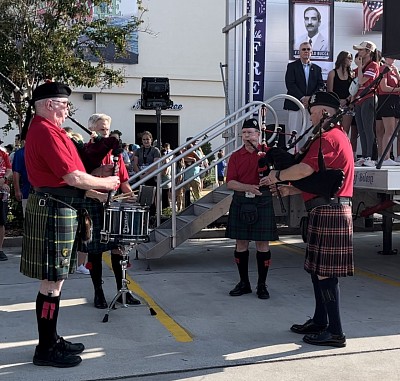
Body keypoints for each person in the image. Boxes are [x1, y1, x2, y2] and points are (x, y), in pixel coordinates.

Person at [19, 82, 120, 367]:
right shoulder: (44, 131)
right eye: (64, 105)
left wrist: (96, 180)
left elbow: (74, 173)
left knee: (56, 281)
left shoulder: (52, 131)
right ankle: (45, 349)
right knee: (51, 283)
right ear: (49, 104)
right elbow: (72, 178)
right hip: (54, 210)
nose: (67, 110)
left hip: (60, 207)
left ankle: (51, 339)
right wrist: (106, 182)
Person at [265, 91, 354, 348]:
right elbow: (321, 180)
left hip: (329, 211)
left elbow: (304, 169)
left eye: (313, 112)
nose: (311, 117)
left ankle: (335, 331)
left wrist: (277, 175)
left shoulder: (328, 138)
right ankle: (320, 320)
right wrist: (291, 189)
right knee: (318, 271)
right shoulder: (333, 137)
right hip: (326, 208)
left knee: (325, 273)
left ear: (324, 112)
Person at [80, 113, 140, 308]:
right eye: (101, 129)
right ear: (92, 131)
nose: (105, 133)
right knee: (95, 252)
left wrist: (132, 198)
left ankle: (123, 290)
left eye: (107, 129)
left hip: (114, 204)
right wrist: (96, 195)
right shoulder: (85, 152)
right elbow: (77, 184)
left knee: (119, 249)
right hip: (93, 204)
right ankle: (98, 292)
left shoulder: (116, 154)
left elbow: (122, 181)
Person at [225, 118, 278, 300]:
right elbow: (230, 182)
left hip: (263, 200)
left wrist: (272, 178)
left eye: (251, 132)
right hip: (242, 200)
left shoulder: (269, 153)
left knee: (263, 244)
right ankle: (244, 283)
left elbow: (282, 174)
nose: (247, 136)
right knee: (241, 243)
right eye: (244, 133)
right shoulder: (235, 156)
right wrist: (248, 187)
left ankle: (262, 285)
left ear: (258, 134)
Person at [284, 41, 324, 150]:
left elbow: (320, 86)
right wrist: (302, 98)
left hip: (310, 106)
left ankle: (307, 156)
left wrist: (310, 98)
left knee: (310, 131)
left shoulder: (317, 69)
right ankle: (292, 154)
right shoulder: (292, 66)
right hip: (295, 104)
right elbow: (290, 84)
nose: (306, 51)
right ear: (299, 52)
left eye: (308, 49)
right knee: (294, 131)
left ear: (311, 52)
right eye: (304, 49)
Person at [352, 41, 380, 167]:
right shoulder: (360, 66)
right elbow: (355, 84)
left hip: (368, 98)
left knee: (369, 129)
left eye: (361, 50)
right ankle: (364, 155)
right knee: (361, 130)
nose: (359, 52)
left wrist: (359, 67)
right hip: (358, 100)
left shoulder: (373, 65)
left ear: (369, 52)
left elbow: (362, 80)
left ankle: (371, 156)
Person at [375, 57, 400, 165]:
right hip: (386, 99)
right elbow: (383, 87)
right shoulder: (383, 68)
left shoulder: (394, 69)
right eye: (391, 57)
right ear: (385, 58)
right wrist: (398, 90)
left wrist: (397, 73)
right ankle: (386, 158)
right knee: (389, 130)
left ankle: (384, 156)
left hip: (395, 100)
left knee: (391, 130)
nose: (394, 59)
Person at [327, 51, 354, 135]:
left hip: (347, 105)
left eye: (351, 58)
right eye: (349, 58)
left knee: (345, 131)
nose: (350, 60)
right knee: (334, 129)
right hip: (335, 105)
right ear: (342, 58)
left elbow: (354, 91)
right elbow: (330, 91)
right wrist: (338, 102)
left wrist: (347, 100)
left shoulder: (352, 74)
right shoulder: (332, 73)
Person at [12, 139, 31, 216]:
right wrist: (17, 190)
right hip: (27, 190)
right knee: (28, 218)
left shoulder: (42, 150)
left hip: (43, 191)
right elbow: (16, 172)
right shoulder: (20, 153)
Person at [0, 146, 12, 261]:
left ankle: (0, 249)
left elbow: (9, 169)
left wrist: (4, 179)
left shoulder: (3, 153)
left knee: (1, 221)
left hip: (1, 192)